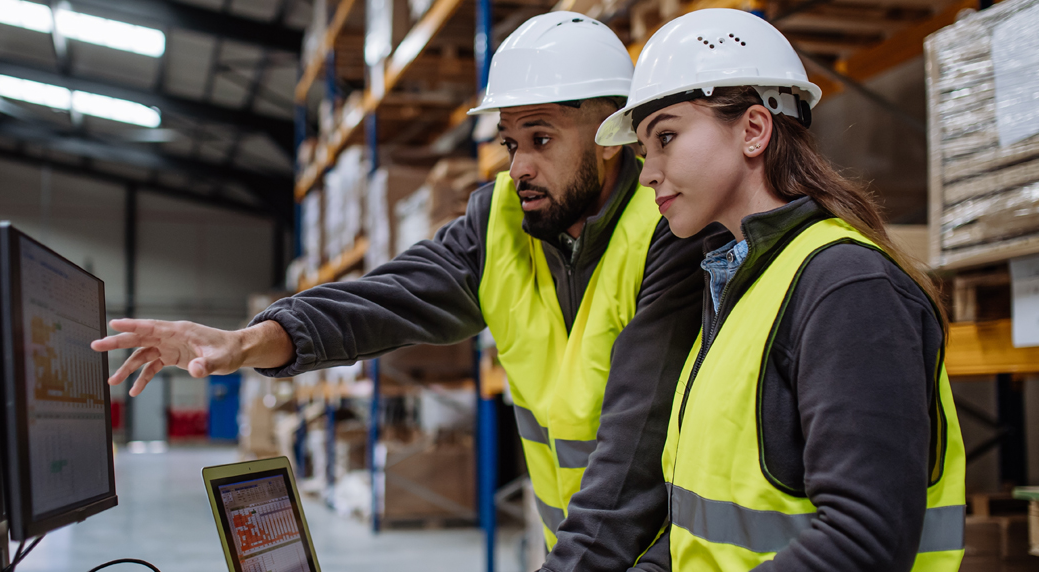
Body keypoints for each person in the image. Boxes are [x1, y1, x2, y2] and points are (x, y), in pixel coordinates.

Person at [92, 12, 727, 572]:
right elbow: (384, 300)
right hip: (577, 549)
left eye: (541, 139)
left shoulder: (670, 229)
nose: (518, 167)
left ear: (609, 139)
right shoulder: (501, 220)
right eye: (510, 142)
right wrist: (247, 342)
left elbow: (633, 457)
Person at [593, 9, 967, 572]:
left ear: (753, 130)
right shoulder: (740, 284)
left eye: (665, 137)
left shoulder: (848, 288)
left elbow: (864, 541)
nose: (647, 172)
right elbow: (698, 526)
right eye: (645, 151)